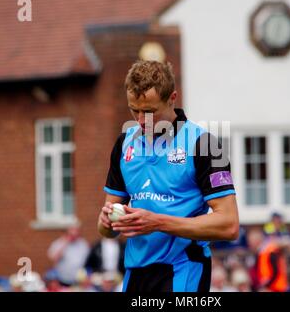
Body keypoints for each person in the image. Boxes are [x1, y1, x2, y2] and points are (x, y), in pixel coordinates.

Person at [97, 60, 239, 292]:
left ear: (172, 98)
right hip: (135, 272)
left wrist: (157, 222)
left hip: (183, 268)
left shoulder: (204, 144)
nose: (142, 120)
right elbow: (106, 230)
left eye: (150, 112)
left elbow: (229, 225)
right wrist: (107, 222)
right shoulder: (124, 144)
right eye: (134, 110)